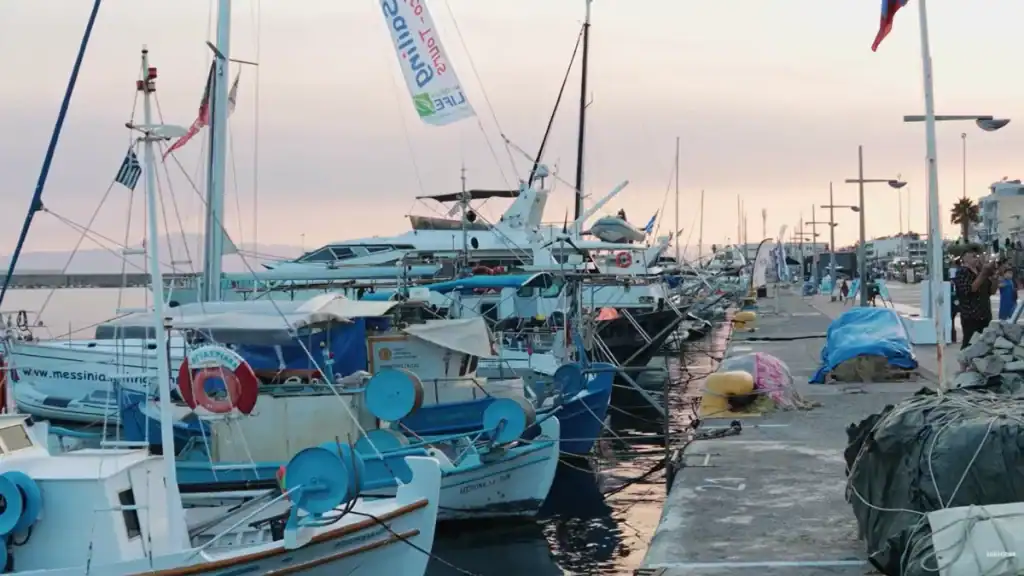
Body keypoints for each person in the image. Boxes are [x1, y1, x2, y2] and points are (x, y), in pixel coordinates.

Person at [953, 245, 998, 349]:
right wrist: (983, 273)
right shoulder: (962, 272)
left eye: (977, 255)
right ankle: (963, 364)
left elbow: (991, 291)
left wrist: (995, 278)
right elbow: (970, 289)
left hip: (985, 314)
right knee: (969, 344)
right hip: (971, 316)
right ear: (964, 257)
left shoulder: (981, 271)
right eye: (973, 255)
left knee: (984, 345)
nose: (977, 257)